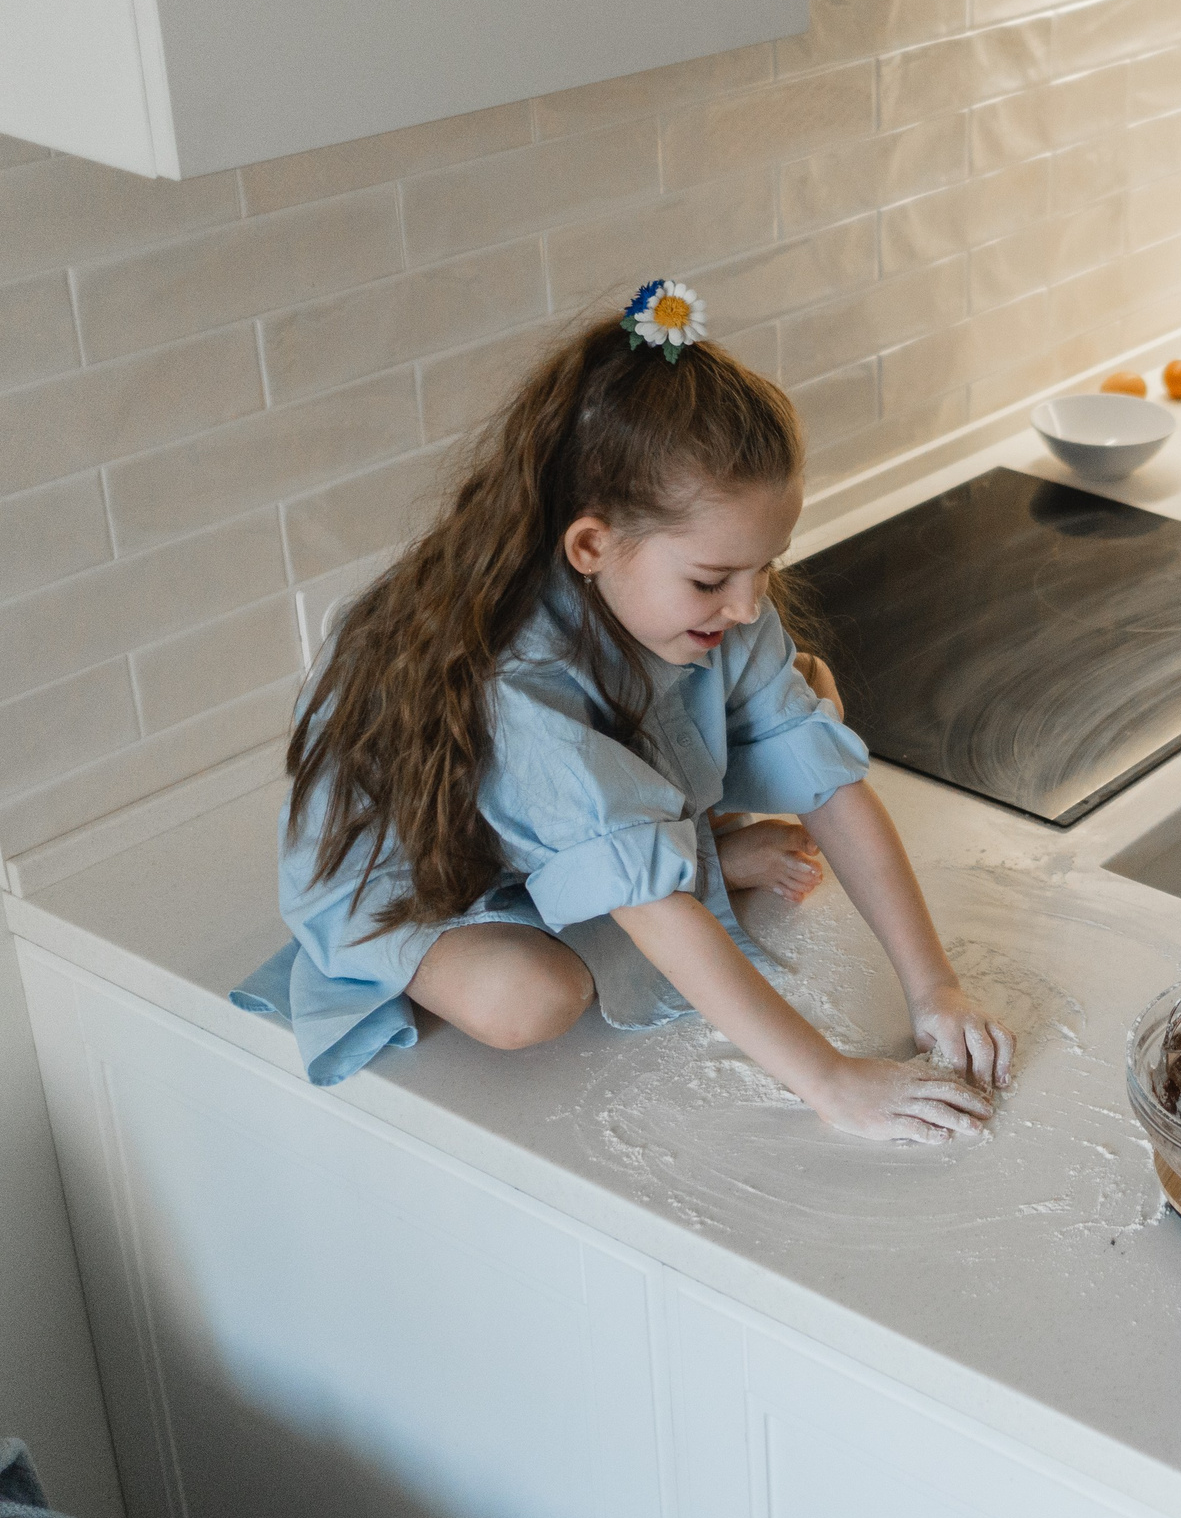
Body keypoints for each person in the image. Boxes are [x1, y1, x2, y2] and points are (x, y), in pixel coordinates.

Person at [232, 283, 1011, 1140]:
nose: (750, 605)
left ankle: (684, 849)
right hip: (422, 870)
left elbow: (828, 782)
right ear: (592, 545)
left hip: (562, 807)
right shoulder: (518, 683)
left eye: (765, 566)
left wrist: (933, 987)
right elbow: (655, 911)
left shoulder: (714, 600)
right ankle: (667, 859)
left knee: (811, 701)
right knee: (532, 999)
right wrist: (831, 1082)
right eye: (714, 580)